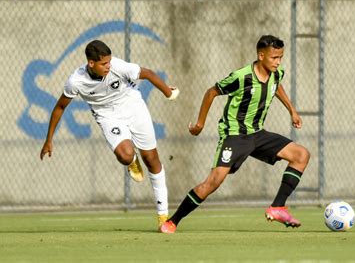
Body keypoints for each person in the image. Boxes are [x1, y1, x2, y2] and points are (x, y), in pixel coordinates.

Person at [160, 35, 310, 234]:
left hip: (258, 133)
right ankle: (172, 221)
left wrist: (291, 110)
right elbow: (211, 92)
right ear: (261, 55)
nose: (278, 62)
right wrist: (199, 124)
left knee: (301, 155)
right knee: (213, 182)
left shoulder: (276, 73)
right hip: (235, 136)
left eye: (280, 57)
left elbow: (277, 86)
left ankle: (277, 207)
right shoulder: (241, 77)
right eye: (274, 57)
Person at [40, 39, 179, 228]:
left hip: (133, 106)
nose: (108, 66)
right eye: (104, 63)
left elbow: (147, 73)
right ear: (91, 63)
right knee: (125, 155)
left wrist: (167, 93)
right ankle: (131, 162)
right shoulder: (76, 81)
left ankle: (163, 216)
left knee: (152, 159)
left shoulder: (118, 66)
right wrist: (49, 139)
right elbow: (59, 108)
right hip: (107, 115)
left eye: (109, 62)